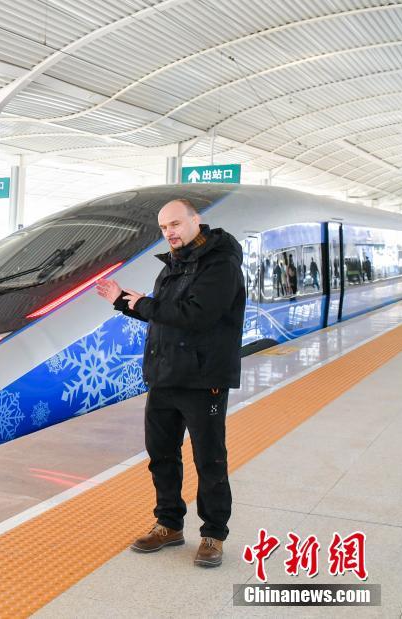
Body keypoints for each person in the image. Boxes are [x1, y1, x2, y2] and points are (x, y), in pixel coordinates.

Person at [96, 198, 245, 568]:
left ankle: (213, 534)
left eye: (176, 224)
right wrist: (125, 302)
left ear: (197, 221)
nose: (170, 233)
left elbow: (194, 316)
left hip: (203, 378)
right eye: (164, 228)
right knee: (161, 454)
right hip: (165, 377)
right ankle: (169, 524)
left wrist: (142, 303)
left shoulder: (221, 264)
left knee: (209, 458)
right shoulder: (173, 266)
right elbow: (165, 317)